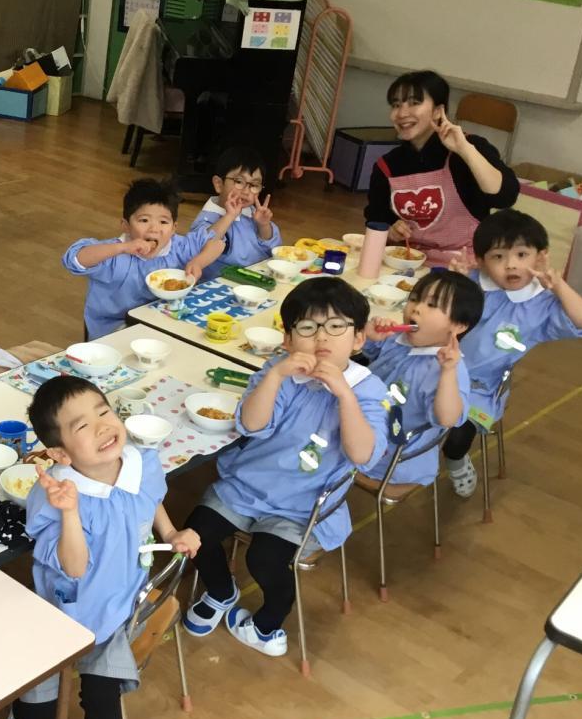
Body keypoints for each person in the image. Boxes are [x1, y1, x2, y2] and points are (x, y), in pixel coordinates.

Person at [0, 376, 199, 719]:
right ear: (60, 453)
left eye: (104, 411)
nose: (104, 426)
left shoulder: (141, 463)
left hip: (119, 611)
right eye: (82, 425)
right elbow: (74, 566)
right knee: (37, 717)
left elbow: (149, 498)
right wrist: (70, 512)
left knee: (103, 705)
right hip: (61, 615)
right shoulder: (55, 495)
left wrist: (171, 531)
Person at [182, 278, 390, 656]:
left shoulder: (367, 389)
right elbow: (253, 424)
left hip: (303, 502)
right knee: (197, 533)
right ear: (289, 340)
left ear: (358, 338)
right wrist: (277, 375)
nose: (321, 337)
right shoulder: (279, 371)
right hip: (248, 484)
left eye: (336, 326)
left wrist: (344, 394)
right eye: (307, 327)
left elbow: (362, 455)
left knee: (265, 559)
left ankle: (267, 625)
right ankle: (221, 590)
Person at [441, 210, 582, 497]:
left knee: (458, 436)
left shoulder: (542, 305)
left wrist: (559, 285)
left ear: (540, 257)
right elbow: (437, 316)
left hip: (480, 388)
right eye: (498, 257)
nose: (511, 265)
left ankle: (456, 460)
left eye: (522, 255)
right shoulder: (473, 283)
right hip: (436, 368)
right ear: (481, 261)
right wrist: (454, 282)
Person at [364, 70, 518, 267]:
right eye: (396, 105)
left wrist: (464, 150)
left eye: (414, 103)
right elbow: (376, 219)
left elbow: (505, 196)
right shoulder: (387, 165)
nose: (402, 113)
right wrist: (391, 230)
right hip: (408, 263)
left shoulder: (469, 147)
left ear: (438, 111)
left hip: (466, 266)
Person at [361, 271, 482, 487]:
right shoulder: (399, 340)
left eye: (432, 305)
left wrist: (447, 372)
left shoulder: (449, 369)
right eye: (415, 299)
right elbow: (371, 353)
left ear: (458, 326)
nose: (416, 308)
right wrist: (369, 335)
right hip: (363, 423)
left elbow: (447, 419)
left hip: (388, 458)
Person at [63, 177, 219, 339]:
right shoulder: (115, 256)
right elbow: (75, 259)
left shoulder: (178, 247)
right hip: (114, 328)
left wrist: (198, 262)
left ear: (174, 228)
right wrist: (123, 248)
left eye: (163, 222)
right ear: (126, 225)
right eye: (144, 220)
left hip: (163, 321)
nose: (154, 229)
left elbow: (216, 243)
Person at [188, 145, 279, 281]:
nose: (246, 191)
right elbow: (199, 246)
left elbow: (274, 248)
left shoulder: (253, 213)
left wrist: (263, 225)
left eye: (254, 185)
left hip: (259, 279)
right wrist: (229, 216)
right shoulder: (207, 218)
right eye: (239, 182)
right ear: (219, 184)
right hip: (224, 284)